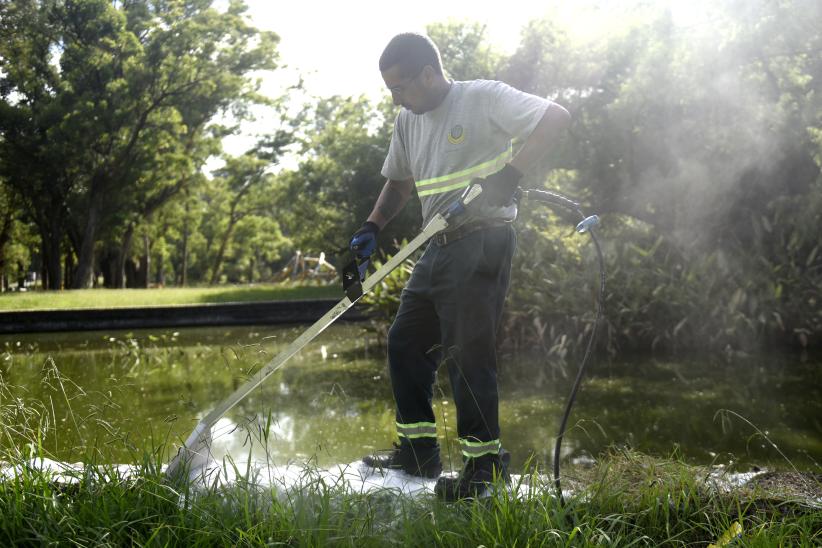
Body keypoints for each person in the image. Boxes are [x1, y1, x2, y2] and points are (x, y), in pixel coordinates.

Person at [349, 32, 570, 501]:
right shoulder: (408, 120)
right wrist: (371, 226)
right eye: (390, 90)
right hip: (438, 244)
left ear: (428, 74)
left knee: (469, 352)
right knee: (405, 340)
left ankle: (485, 467)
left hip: (485, 238)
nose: (397, 97)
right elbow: (398, 183)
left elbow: (555, 117)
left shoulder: (483, 97)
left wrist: (510, 175)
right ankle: (418, 451)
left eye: (401, 87)